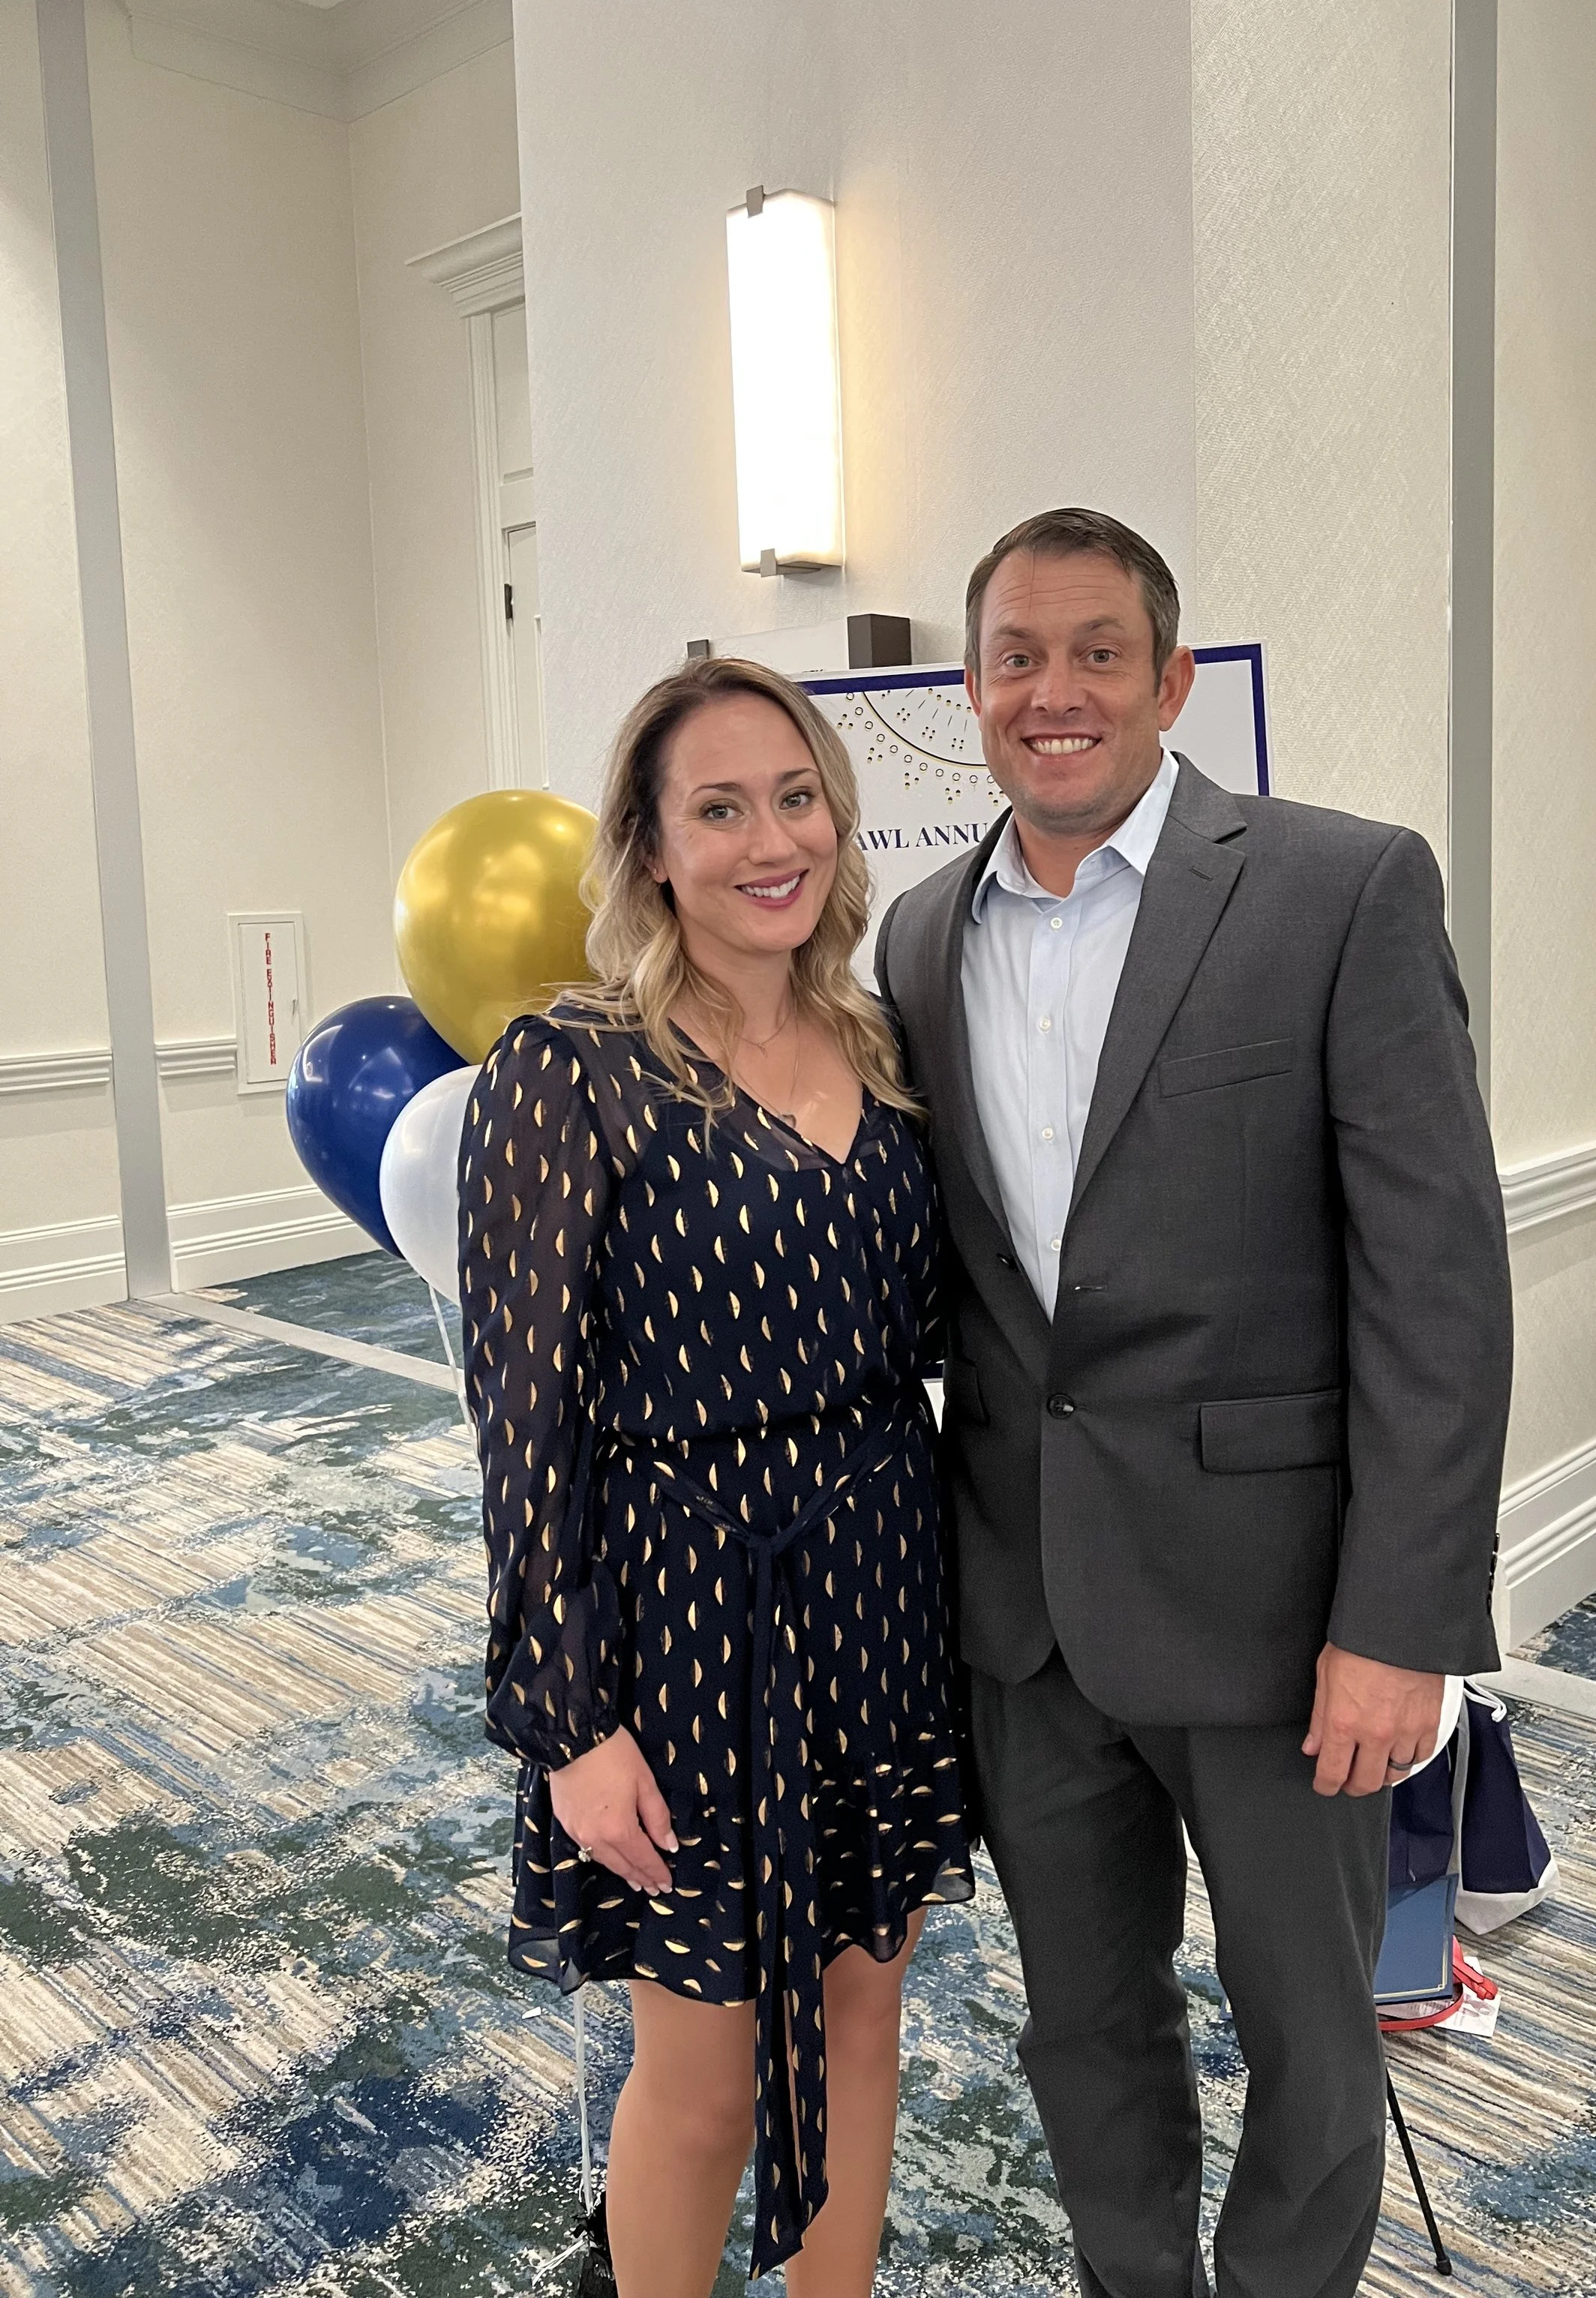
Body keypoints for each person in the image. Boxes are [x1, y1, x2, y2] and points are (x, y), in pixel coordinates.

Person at [874, 508, 1512, 2298]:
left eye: (1094, 653)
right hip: (1025, 1619)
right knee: (1080, 2029)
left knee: (1311, 2045)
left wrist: (1401, 1622)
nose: (1051, 691)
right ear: (971, 687)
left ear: (1165, 682)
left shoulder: (1337, 884)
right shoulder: (918, 938)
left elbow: (1434, 1289)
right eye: (1015, 656)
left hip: (1278, 1623)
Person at [461, 656, 972, 2298]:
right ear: (652, 845)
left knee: (865, 2018)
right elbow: (520, 1421)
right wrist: (570, 1719)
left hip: (881, 1588)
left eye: (796, 794)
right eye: (718, 806)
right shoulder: (570, 1066)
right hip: (683, 1618)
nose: (770, 838)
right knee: (699, 2085)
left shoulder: (884, 1048)